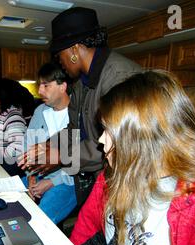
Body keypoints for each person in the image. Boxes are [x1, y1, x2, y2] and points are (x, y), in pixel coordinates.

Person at [70, 70, 195, 245]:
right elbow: (84, 232)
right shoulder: (112, 177)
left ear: (142, 140)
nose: (101, 140)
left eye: (109, 130)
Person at [19, 7, 141, 208]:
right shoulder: (79, 84)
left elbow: (115, 144)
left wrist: (60, 156)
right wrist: (49, 146)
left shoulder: (118, 78)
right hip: (97, 177)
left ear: (74, 50)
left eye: (60, 56)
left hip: (126, 182)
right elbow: (74, 130)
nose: (61, 63)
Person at [22, 62, 77, 224]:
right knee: (11, 199)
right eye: (40, 85)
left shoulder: (79, 114)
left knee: (39, 220)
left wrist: (51, 182)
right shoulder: (40, 111)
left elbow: (81, 162)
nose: (39, 91)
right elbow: (28, 147)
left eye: (45, 85)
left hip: (68, 180)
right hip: (38, 175)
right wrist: (31, 175)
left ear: (63, 86)